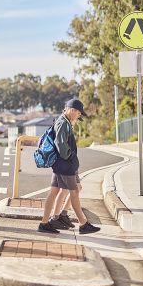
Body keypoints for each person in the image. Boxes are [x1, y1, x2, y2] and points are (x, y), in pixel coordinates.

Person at [38, 98, 100, 234]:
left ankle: (45, 223)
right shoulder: (63, 123)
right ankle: (83, 224)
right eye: (78, 113)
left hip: (59, 164)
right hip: (65, 165)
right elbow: (60, 144)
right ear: (72, 110)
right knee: (75, 192)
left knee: (54, 192)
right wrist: (71, 157)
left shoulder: (62, 121)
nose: (78, 116)